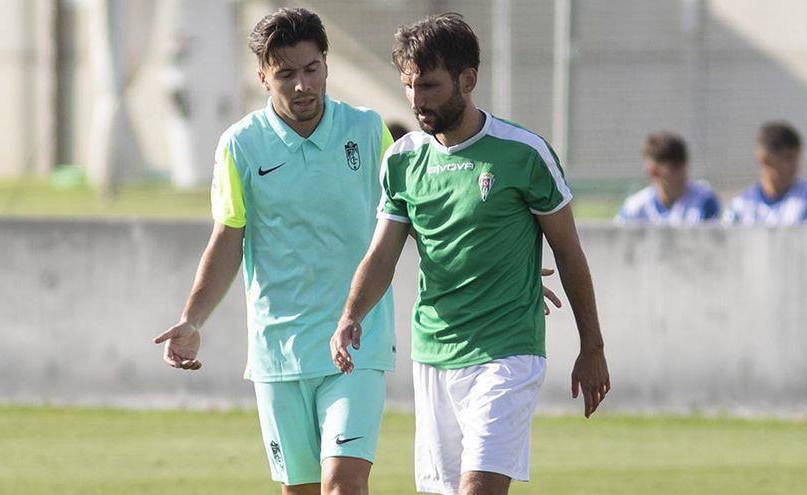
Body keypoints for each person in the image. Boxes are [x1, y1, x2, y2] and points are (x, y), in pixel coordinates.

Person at [329, 13, 610, 495]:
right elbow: (382, 254)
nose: (416, 100)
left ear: (468, 79)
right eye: (409, 86)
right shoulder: (401, 160)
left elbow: (568, 252)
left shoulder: (523, 154)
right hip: (434, 353)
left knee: (479, 487)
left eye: (430, 86)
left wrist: (593, 347)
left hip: (507, 352)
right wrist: (351, 314)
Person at [152, 8, 397, 495]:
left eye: (311, 70)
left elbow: (413, 219)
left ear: (326, 65)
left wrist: (495, 267)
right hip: (277, 351)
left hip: (356, 343)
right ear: (264, 77)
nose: (302, 86)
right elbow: (228, 237)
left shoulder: (369, 132)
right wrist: (193, 320)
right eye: (286, 74)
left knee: (345, 484)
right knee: (300, 490)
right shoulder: (240, 145)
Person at [724, 121, 807, 225]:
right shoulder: (742, 204)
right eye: (787, 158)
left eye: (796, 158)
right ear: (764, 159)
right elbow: (727, 237)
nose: (794, 166)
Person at [616, 132, 721, 225]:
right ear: (653, 171)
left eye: (682, 166)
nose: (681, 173)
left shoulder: (703, 201)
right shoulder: (635, 208)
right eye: (673, 168)